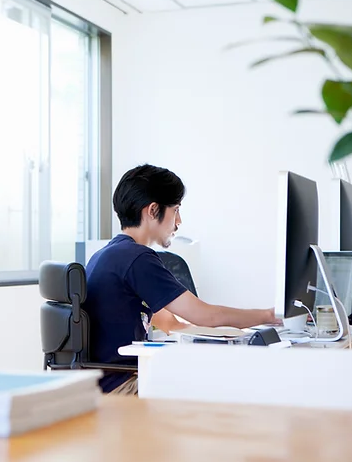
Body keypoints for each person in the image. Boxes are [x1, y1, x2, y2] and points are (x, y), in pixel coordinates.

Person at [83, 164, 278, 395]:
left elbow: (171, 323)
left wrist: (234, 333)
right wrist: (270, 316)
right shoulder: (136, 258)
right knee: (230, 385)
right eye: (175, 210)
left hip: (104, 383)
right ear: (153, 210)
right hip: (122, 387)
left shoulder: (109, 254)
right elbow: (207, 315)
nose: (179, 221)